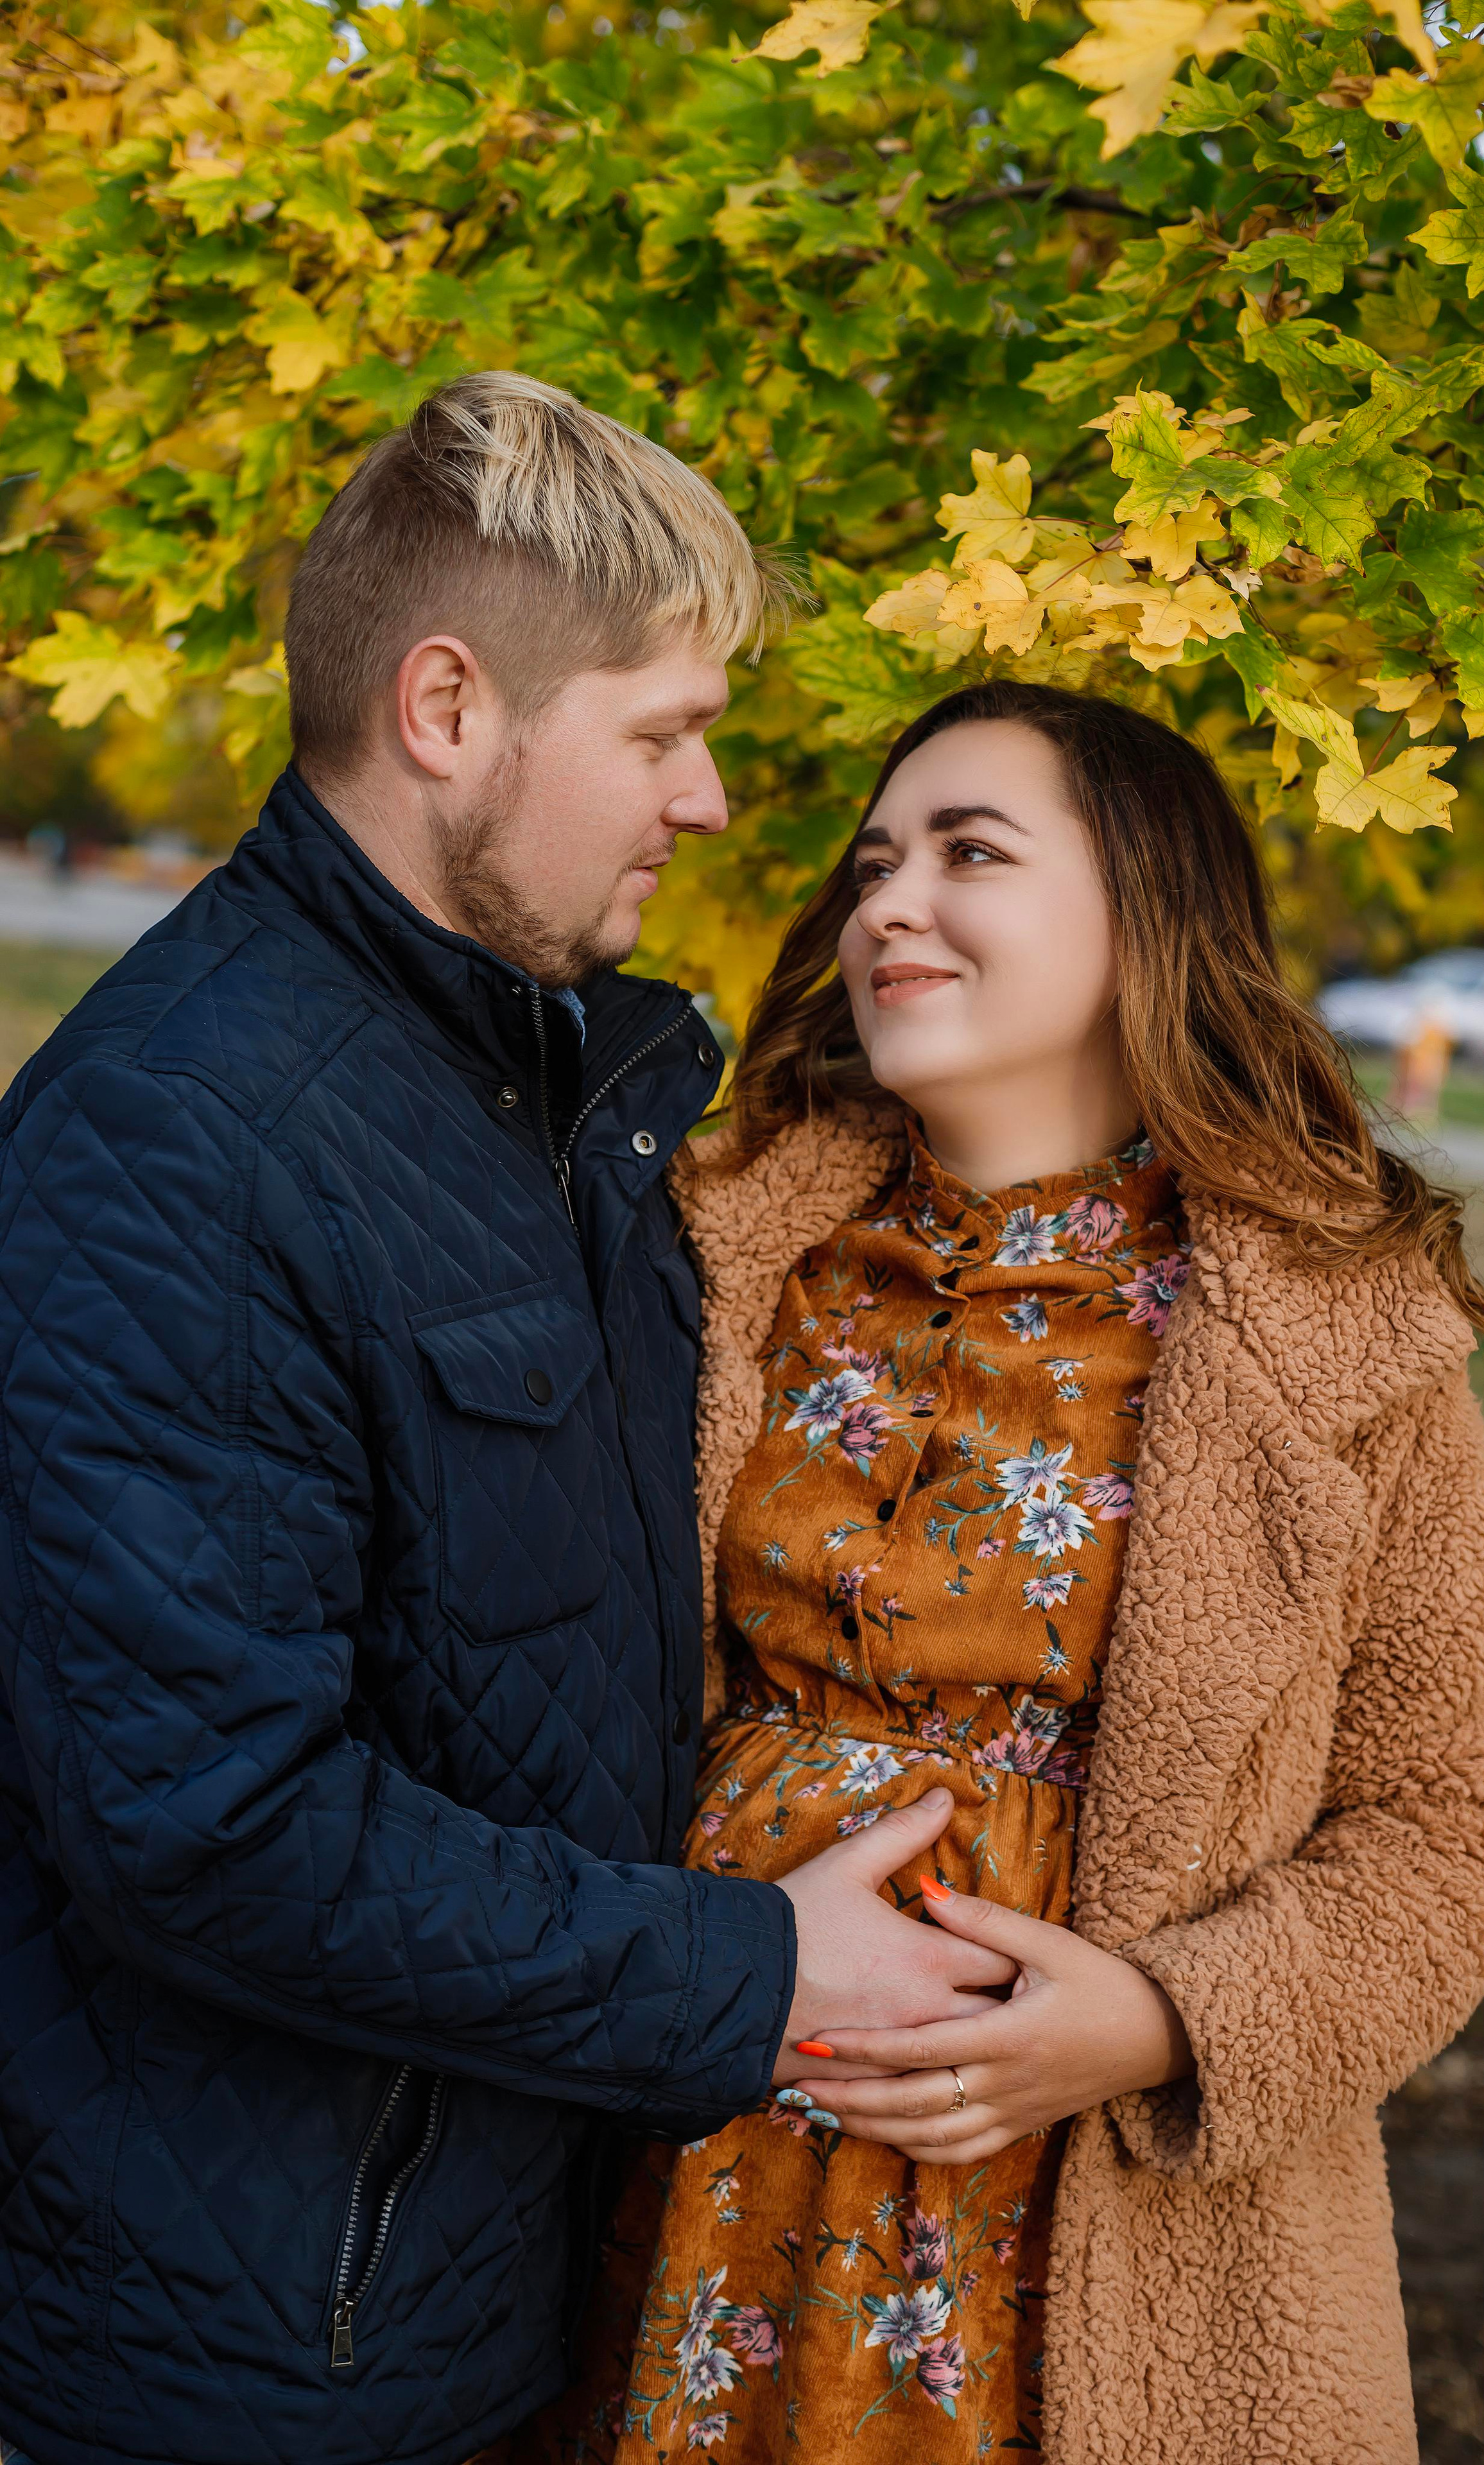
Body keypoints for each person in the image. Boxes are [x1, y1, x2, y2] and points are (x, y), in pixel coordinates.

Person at [0, 377, 1015, 2465]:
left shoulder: (538, 1101)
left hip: (502, 2296)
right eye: (659, 733)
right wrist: (743, 1974)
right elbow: (211, 1827)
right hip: (249, 2369)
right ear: (447, 708)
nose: (715, 800)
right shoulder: (182, 1140)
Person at [522, 680, 1484, 2465]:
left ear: (1143, 915)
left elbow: (1470, 1831)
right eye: (872, 867)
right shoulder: (719, 1250)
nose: (888, 906)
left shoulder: (1333, 1332)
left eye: (970, 853)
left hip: (1091, 2237)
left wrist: (1166, 2021)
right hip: (688, 2163)